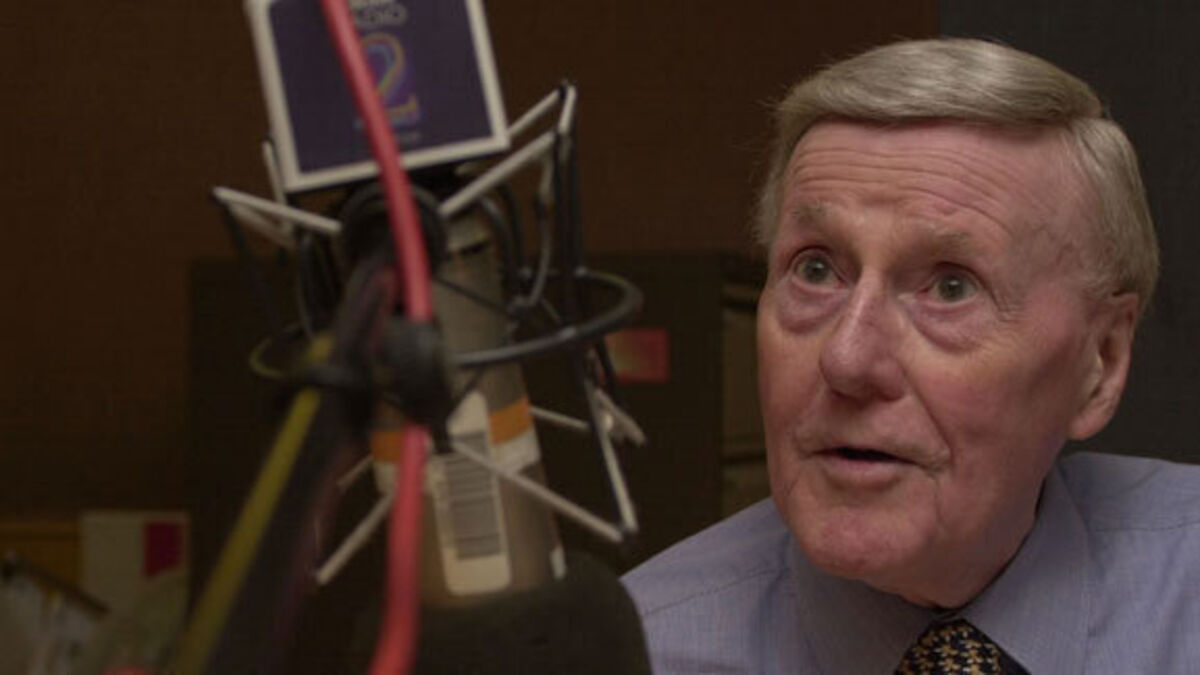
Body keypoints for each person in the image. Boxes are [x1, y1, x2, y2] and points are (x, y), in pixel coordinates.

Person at [622, 38, 1200, 673]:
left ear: (1101, 363)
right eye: (815, 271)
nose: (846, 360)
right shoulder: (638, 654)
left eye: (951, 287)